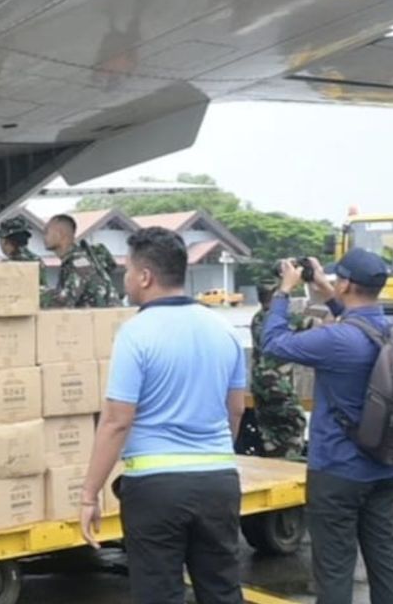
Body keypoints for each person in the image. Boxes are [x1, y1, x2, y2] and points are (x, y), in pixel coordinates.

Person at [80, 227, 246, 604]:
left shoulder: (135, 333)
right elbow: (235, 409)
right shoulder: (225, 329)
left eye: (127, 270)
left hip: (156, 488)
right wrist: (210, 454)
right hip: (219, 481)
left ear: (145, 276)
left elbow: (117, 420)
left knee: (159, 592)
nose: (125, 278)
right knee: (222, 590)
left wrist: (90, 493)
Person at [261, 250, 393, 604]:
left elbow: (272, 343)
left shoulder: (336, 340)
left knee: (334, 570)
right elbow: (361, 324)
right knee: (384, 563)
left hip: (338, 471)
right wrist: (329, 292)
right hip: (386, 465)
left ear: (346, 283)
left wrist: (284, 292)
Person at [249, 284, 306, 459]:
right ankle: (289, 462)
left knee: (269, 430)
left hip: (260, 383)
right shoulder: (283, 321)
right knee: (293, 424)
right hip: (278, 385)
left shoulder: (257, 318)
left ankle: (275, 458)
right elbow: (319, 324)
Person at [41, 213, 121, 308]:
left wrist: (37, 295)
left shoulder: (79, 262)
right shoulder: (74, 259)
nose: (44, 236)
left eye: (47, 231)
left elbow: (64, 302)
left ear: (60, 233)